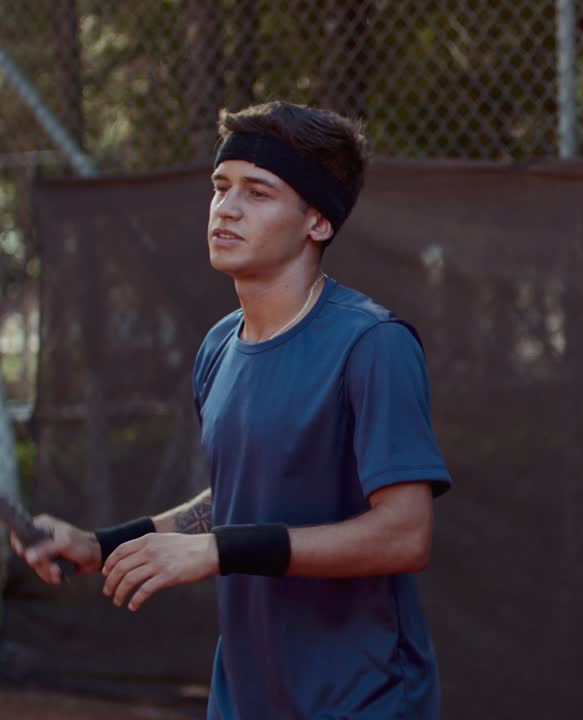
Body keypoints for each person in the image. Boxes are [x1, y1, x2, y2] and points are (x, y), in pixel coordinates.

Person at [11, 101, 452, 719]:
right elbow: (238, 499)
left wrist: (219, 551)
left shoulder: (374, 346)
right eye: (221, 187)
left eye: (259, 192)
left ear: (318, 221)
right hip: (245, 698)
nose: (228, 207)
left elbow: (406, 536)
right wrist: (101, 544)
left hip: (363, 697)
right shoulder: (219, 346)